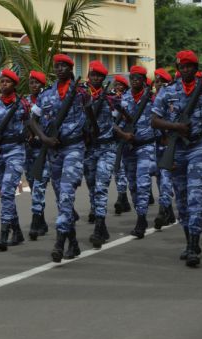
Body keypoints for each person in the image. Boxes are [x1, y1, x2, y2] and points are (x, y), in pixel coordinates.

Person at [151, 50, 202, 268]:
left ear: (196, 69)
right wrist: (175, 127)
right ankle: (189, 242)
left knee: (196, 196)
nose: (185, 70)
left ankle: (195, 244)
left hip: (198, 147)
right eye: (182, 67)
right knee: (183, 199)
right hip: (176, 148)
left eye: (189, 67)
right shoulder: (168, 91)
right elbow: (155, 120)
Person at [28, 54, 88, 262]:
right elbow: (32, 120)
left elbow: (92, 116)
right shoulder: (46, 95)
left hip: (74, 148)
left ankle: (59, 243)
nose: (60, 69)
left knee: (66, 195)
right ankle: (74, 244)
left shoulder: (81, 92)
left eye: (64, 66)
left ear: (71, 68)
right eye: (57, 66)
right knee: (61, 197)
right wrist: (43, 138)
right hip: (53, 152)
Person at [0, 69, 30, 251]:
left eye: (7, 81)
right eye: (1, 81)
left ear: (14, 85)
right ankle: (17, 231)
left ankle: (4, 233)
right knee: (4, 192)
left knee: (8, 191)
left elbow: (31, 123)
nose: (3, 84)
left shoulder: (23, 104)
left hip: (16, 151)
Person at [83, 60, 121, 246]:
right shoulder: (81, 94)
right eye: (93, 75)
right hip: (88, 148)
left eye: (99, 76)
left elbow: (120, 119)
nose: (96, 78)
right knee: (91, 185)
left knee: (101, 187)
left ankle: (99, 226)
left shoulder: (111, 98)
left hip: (107, 147)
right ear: (88, 75)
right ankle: (100, 220)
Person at [119, 65, 156, 240]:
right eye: (132, 77)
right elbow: (114, 121)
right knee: (132, 184)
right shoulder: (122, 99)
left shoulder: (152, 99)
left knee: (142, 182)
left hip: (146, 146)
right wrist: (122, 135)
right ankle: (139, 212)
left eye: (139, 77)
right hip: (128, 147)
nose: (135, 80)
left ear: (144, 80)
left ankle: (141, 219)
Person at [25, 70, 51, 240]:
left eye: (37, 83)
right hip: (28, 149)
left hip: (43, 148)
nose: (34, 85)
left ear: (42, 85)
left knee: (40, 185)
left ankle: (35, 221)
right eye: (31, 82)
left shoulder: (48, 101)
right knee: (33, 184)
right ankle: (41, 220)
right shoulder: (24, 101)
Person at [152, 68, 177, 230]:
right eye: (156, 81)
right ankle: (169, 211)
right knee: (161, 180)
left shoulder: (172, 100)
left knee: (166, 179)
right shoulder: (152, 99)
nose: (157, 84)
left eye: (161, 81)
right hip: (155, 144)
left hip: (170, 143)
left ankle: (162, 211)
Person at [112, 74, 133, 216]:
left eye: (121, 85)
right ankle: (122, 196)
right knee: (118, 168)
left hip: (127, 135)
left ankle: (123, 196)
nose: (118, 87)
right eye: (116, 85)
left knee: (126, 168)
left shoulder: (128, 99)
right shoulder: (111, 99)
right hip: (115, 137)